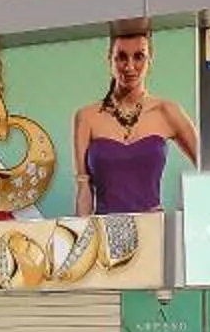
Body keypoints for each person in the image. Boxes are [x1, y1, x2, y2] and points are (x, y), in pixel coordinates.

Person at [69, 26, 200, 214]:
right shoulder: (86, 117)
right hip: (105, 228)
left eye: (139, 57)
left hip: (154, 226)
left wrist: (193, 217)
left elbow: (209, 168)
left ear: (150, 60)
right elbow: (84, 189)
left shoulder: (167, 111)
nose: (130, 67)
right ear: (110, 59)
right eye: (122, 57)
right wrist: (84, 231)